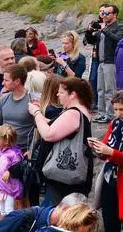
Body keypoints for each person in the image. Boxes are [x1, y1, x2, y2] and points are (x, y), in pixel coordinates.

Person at [28, 77, 93, 205]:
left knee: (51, 214)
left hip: (64, 177)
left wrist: (36, 113)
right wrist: (40, 115)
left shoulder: (73, 113)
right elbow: (54, 126)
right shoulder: (80, 110)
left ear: (73, 94)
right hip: (67, 177)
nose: (58, 95)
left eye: (61, 92)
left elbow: (48, 134)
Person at [88, 91, 123, 232]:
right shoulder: (115, 123)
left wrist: (112, 153)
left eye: (121, 109)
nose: (118, 113)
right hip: (111, 180)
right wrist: (98, 148)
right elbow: (107, 148)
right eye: (116, 109)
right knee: (110, 226)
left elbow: (114, 153)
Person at [86, 3, 123, 123]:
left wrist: (104, 30)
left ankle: (111, 114)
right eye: (103, 13)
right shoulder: (103, 28)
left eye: (107, 13)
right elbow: (91, 40)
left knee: (110, 90)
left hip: (111, 61)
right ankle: (101, 113)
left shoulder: (119, 27)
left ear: (115, 14)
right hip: (100, 62)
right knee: (100, 89)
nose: (104, 15)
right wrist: (89, 31)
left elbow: (118, 40)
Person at [0, 64, 35, 153]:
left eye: (6, 80)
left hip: (23, 151)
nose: (3, 83)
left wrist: (31, 150)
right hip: (2, 149)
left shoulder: (32, 100)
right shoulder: (3, 99)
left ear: (17, 81)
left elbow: (37, 131)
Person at [0, 125, 24, 218]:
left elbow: (19, 167)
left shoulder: (14, 153)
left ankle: (11, 229)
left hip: (9, 188)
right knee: (2, 210)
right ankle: (4, 229)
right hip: (0, 187)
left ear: (6, 141)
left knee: (9, 211)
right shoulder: (0, 151)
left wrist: (10, 171)